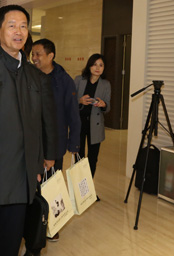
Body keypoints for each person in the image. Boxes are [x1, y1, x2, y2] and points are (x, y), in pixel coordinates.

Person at [0, 5, 57, 256]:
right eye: (12, 25)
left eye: (24, 26)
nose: (19, 31)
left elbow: (39, 124)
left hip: (22, 178)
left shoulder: (35, 76)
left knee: (10, 245)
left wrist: (37, 164)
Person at [30, 38, 80, 247]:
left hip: (55, 143)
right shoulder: (29, 75)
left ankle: (52, 225)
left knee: (51, 186)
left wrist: (74, 144)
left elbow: (73, 114)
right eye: (33, 54)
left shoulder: (63, 80)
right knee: (33, 186)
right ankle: (32, 226)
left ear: (51, 56)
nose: (34, 58)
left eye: (38, 54)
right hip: (32, 142)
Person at [75, 54, 111, 183]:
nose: (97, 68)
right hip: (79, 123)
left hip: (95, 125)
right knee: (78, 156)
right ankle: (79, 186)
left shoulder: (106, 84)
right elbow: (69, 100)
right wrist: (79, 100)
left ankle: (88, 187)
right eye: (95, 64)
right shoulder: (79, 80)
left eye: (101, 65)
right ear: (89, 66)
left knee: (93, 157)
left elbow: (108, 106)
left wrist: (103, 104)